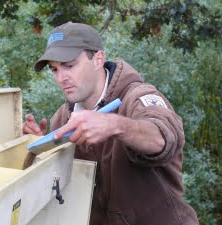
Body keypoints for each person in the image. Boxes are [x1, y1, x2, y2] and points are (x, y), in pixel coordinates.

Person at [23, 22, 199, 225]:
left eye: (69, 65)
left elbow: (163, 138)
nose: (61, 78)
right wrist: (41, 146)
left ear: (98, 59)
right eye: (54, 70)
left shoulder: (139, 97)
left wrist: (114, 125)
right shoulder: (62, 118)